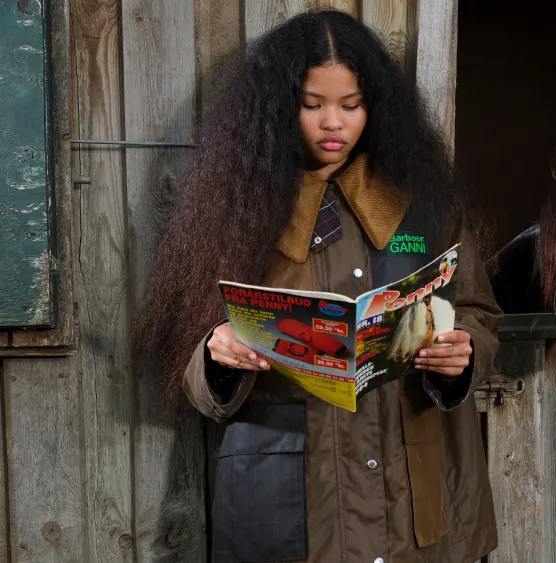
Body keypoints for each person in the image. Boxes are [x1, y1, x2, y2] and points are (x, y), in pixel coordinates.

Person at [136, 10, 501, 563]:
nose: (334, 123)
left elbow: (477, 310)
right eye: (313, 105)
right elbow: (190, 356)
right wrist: (216, 355)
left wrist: (463, 353)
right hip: (287, 501)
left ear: (374, 106)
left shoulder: (426, 202)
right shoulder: (232, 212)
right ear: (280, 106)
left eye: (350, 105)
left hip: (414, 495)